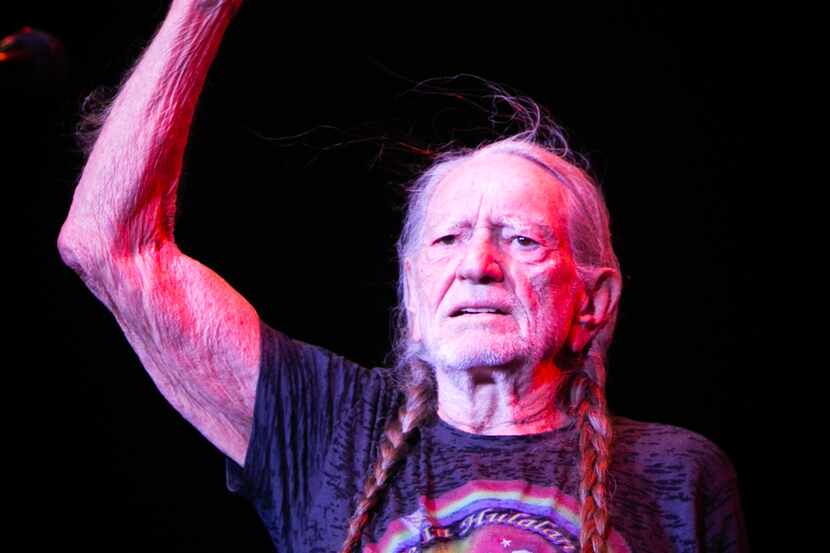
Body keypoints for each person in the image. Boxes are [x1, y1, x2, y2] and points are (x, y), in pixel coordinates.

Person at [57, 1, 750, 552]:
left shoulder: (678, 472)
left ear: (593, 300)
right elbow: (111, 243)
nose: (478, 265)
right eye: (448, 239)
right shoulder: (327, 428)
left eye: (522, 238)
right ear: (413, 294)